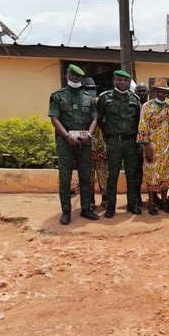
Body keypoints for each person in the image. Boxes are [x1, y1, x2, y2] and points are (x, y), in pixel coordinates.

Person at [48, 64, 99, 225]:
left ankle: (85, 209)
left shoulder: (89, 98)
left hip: (84, 142)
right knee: (65, 178)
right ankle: (66, 211)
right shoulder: (58, 96)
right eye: (73, 74)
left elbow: (94, 119)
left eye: (78, 76)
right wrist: (67, 136)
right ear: (67, 75)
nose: (76, 78)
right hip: (65, 142)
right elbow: (54, 118)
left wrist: (89, 135)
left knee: (86, 177)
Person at [97, 70, 142, 218]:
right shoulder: (105, 98)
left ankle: (132, 205)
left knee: (132, 174)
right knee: (113, 175)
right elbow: (99, 120)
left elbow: (138, 123)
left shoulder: (135, 99)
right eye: (119, 80)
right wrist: (107, 137)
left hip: (130, 142)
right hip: (114, 142)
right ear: (114, 80)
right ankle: (111, 206)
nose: (122, 83)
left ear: (129, 82)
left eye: (125, 80)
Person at [137, 77, 169, 215]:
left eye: (164, 91)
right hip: (152, 148)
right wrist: (147, 147)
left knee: (166, 175)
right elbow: (143, 127)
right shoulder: (147, 106)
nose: (162, 94)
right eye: (159, 91)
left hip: (167, 148)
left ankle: (164, 202)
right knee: (151, 175)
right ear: (155, 91)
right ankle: (151, 203)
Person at [82, 77, 108, 209]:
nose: (90, 92)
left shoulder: (101, 102)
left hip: (102, 144)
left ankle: (105, 198)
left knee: (103, 173)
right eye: (87, 89)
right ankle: (91, 200)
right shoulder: (82, 105)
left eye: (92, 89)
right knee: (89, 175)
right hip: (87, 144)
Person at [134, 82, 149, 206]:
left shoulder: (151, 106)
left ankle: (154, 197)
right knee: (137, 172)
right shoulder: (132, 105)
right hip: (136, 145)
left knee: (151, 172)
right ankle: (137, 197)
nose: (141, 93)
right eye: (139, 91)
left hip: (151, 144)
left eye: (143, 91)